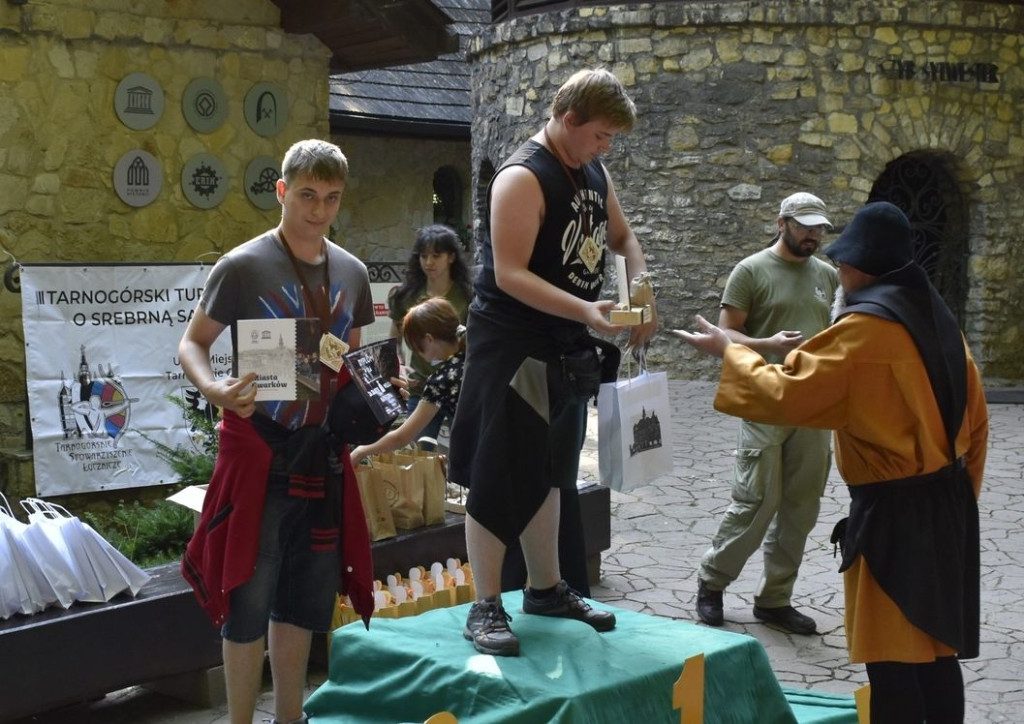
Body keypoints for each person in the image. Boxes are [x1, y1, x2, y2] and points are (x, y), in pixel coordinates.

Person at [672, 201, 988, 723]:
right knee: (937, 650)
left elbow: (786, 390)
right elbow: (977, 429)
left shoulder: (867, 331)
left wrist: (729, 352)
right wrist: (956, 499)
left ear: (862, 268)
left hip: (894, 518)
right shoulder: (942, 323)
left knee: (892, 662)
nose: (837, 270)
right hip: (946, 506)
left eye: (843, 262)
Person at [448, 68, 658, 657]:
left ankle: (545, 589)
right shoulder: (521, 178)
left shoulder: (592, 170)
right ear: (568, 120)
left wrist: (640, 290)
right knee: (497, 473)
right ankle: (484, 605)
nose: (606, 147)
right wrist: (588, 311)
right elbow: (510, 275)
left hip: (566, 343)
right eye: (601, 135)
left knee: (553, 469)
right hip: (513, 345)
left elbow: (622, 238)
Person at [177, 139, 376, 724]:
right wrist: (213, 389)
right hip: (260, 448)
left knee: (301, 600)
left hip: (321, 457)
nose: (319, 210)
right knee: (246, 596)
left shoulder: (354, 272)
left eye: (332, 198)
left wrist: (376, 397)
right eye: (308, 196)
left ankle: (291, 717)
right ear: (283, 192)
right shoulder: (241, 266)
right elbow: (193, 342)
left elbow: (347, 362)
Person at [694, 192, 840, 635]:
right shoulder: (751, 271)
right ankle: (712, 583)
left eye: (820, 228)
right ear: (782, 223)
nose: (813, 235)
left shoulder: (830, 276)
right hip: (762, 399)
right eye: (805, 226)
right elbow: (725, 336)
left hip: (813, 405)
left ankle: (775, 599)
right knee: (757, 500)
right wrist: (769, 345)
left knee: (802, 506)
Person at [351, 297, 465, 462]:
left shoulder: (441, 380)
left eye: (416, 348)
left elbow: (401, 437)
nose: (419, 354)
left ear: (429, 339)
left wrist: (361, 451)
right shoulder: (478, 353)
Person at [387, 224, 473, 444]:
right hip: (421, 386)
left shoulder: (467, 294)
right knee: (419, 454)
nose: (429, 262)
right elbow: (392, 340)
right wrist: (398, 365)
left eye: (436, 255)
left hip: (460, 387)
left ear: (451, 257)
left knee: (465, 453)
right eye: (424, 256)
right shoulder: (407, 295)